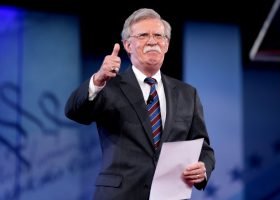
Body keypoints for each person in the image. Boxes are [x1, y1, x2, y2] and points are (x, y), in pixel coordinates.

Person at [65, 8, 215, 200]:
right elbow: (74, 111)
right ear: (128, 45)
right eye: (143, 35)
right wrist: (98, 80)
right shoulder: (109, 85)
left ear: (166, 45)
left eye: (159, 36)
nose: (152, 41)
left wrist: (203, 168)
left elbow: (203, 148)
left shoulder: (188, 94)